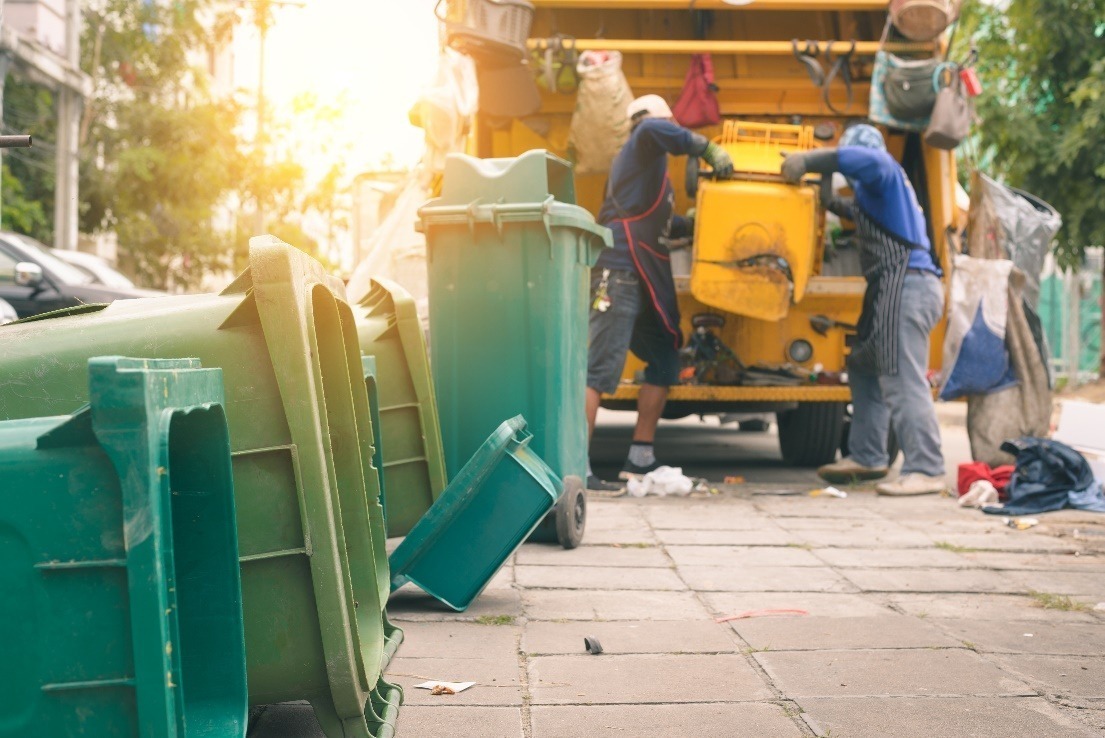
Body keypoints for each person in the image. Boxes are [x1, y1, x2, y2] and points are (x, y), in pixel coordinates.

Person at [781, 123, 947, 496]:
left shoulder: (884, 168)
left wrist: (808, 159)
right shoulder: (880, 196)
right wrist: (822, 189)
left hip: (907, 286)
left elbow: (868, 159)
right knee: (864, 364)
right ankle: (869, 454)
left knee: (900, 375)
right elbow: (845, 208)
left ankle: (927, 467)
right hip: (893, 288)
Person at [585, 94, 734, 493]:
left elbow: (658, 222)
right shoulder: (643, 138)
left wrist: (693, 224)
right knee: (600, 370)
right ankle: (575, 464)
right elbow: (653, 128)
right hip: (618, 270)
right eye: (669, 121)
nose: (671, 127)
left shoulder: (649, 171)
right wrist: (707, 148)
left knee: (666, 361)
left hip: (645, 275)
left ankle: (640, 456)